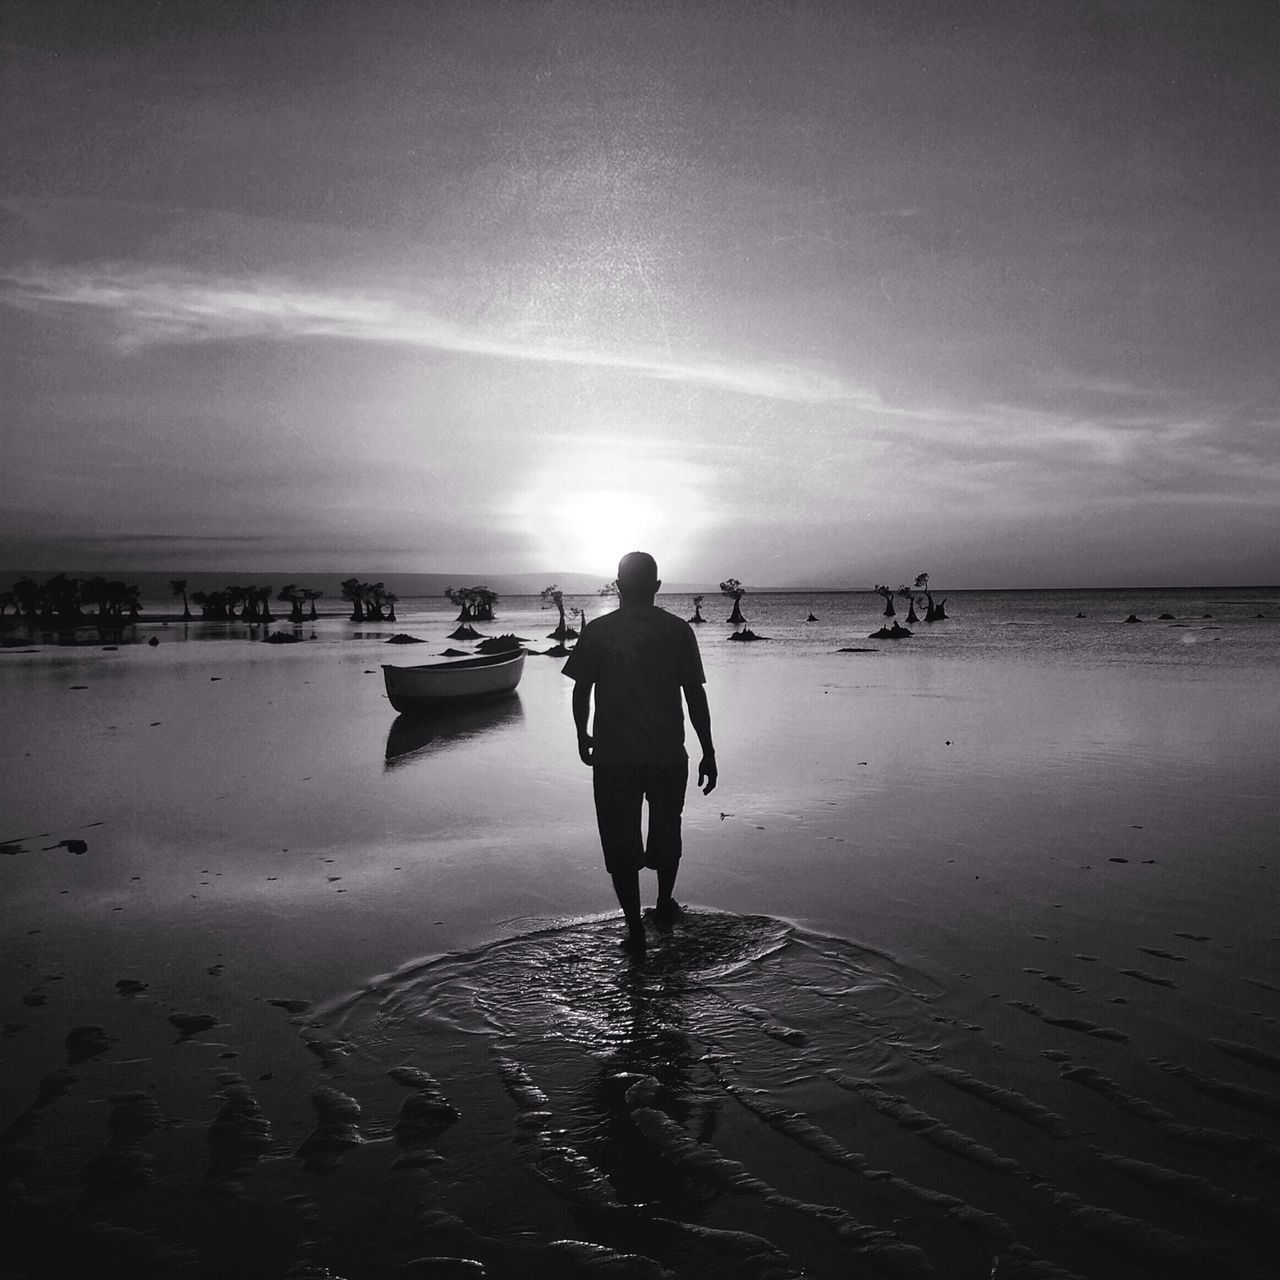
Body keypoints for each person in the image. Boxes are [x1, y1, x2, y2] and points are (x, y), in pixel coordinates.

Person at [562, 551, 717, 955]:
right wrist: (708, 750)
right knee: (667, 831)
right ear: (657, 587)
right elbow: (694, 695)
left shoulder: (598, 631)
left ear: (618, 586)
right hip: (666, 754)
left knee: (619, 841)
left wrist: (582, 734)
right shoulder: (677, 630)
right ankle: (664, 904)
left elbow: (581, 690)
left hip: (614, 758)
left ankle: (635, 929)